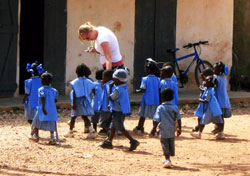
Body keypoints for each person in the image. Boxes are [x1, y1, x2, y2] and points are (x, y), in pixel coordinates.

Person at [100, 69, 140, 151]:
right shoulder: (124, 87)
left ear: (117, 80)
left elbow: (111, 97)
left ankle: (133, 141)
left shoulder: (117, 89)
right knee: (113, 127)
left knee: (120, 128)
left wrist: (110, 88)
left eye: (114, 79)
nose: (113, 81)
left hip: (117, 111)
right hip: (121, 110)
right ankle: (109, 142)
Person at [64, 63, 97, 139]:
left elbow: (74, 93)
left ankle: (70, 131)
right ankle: (92, 130)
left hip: (77, 100)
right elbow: (93, 89)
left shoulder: (75, 82)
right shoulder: (88, 81)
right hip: (85, 100)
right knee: (84, 116)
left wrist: (74, 103)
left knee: (73, 116)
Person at [150, 88, 181, 168]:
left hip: (163, 129)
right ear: (172, 98)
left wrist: (153, 129)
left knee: (164, 144)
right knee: (171, 142)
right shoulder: (175, 107)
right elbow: (179, 118)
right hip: (172, 129)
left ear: (162, 97)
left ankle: (167, 159)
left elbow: (156, 119)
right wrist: (179, 128)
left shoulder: (160, 108)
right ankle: (169, 156)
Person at [29, 72, 59, 145]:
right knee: (51, 123)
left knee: (37, 122)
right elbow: (56, 100)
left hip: (41, 109)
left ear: (42, 81)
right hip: (52, 110)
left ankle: (36, 135)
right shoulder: (54, 90)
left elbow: (42, 98)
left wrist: (43, 108)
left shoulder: (41, 89)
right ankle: (52, 137)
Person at [133, 58, 160, 133]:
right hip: (155, 100)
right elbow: (159, 88)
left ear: (147, 70)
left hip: (146, 100)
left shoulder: (144, 79)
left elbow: (143, 89)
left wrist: (138, 91)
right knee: (155, 116)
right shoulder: (158, 79)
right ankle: (154, 129)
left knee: (142, 115)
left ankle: (140, 128)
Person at [212, 62, 232, 139]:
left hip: (219, 101)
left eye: (215, 69)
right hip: (224, 100)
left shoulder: (216, 78)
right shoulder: (223, 78)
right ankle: (218, 128)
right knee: (220, 117)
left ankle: (221, 132)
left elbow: (214, 85)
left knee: (220, 118)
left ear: (219, 70)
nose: (213, 70)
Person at [192, 68, 214, 132]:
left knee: (202, 117)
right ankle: (198, 127)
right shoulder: (205, 82)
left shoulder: (210, 83)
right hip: (202, 103)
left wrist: (202, 90)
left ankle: (199, 129)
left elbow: (209, 90)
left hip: (205, 103)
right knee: (199, 117)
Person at [97, 69, 114, 135]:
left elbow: (108, 94)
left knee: (101, 123)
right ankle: (108, 131)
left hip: (105, 107)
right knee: (109, 121)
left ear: (107, 77)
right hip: (109, 107)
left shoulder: (108, 85)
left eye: (103, 77)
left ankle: (110, 132)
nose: (102, 79)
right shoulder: (111, 84)